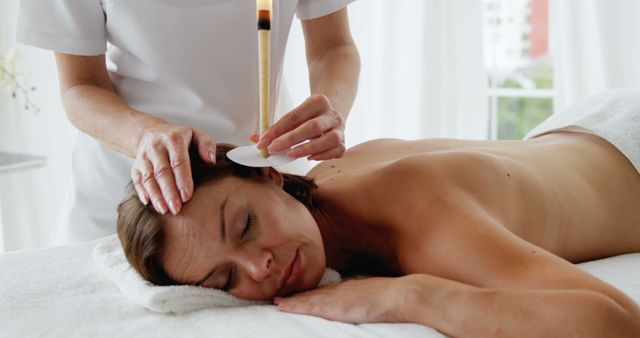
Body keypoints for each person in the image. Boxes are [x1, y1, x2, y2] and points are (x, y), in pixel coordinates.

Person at [117, 90, 640, 337]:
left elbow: (615, 324)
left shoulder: (419, 215)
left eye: (246, 226)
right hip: (581, 129)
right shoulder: (325, 191)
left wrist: (411, 295)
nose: (260, 268)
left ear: (270, 173)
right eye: (225, 277)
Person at [16, 0, 360, 245]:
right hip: (135, 194)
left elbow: (333, 47)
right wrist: (144, 136)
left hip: (261, 197)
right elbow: (80, 86)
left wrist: (332, 110)